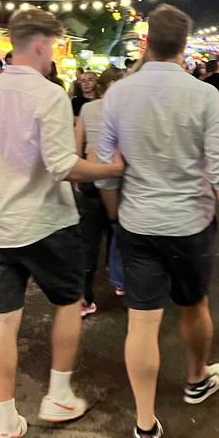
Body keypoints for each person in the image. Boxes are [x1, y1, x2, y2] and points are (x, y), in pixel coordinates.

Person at [96, 5, 219, 438]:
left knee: (142, 322)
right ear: (184, 46)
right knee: (194, 304)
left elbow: (106, 168)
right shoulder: (204, 95)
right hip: (190, 225)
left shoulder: (118, 95)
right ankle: (196, 378)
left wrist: (116, 216)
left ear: (146, 42)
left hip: (137, 223)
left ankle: (145, 425)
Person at [0, 8, 124, 438]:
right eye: (54, 44)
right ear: (40, 44)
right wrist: (110, 169)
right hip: (46, 223)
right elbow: (63, 166)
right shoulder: (49, 94)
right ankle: (58, 394)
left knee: (4, 321)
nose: (54, 53)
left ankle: (5, 424)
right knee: (67, 303)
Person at [75, 65, 125, 315]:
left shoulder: (87, 108)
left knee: (89, 241)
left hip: (91, 177)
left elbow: (77, 147)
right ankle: (119, 281)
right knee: (119, 232)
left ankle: (84, 298)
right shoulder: (129, 109)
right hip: (118, 179)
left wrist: (78, 176)